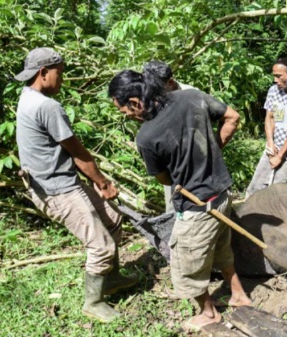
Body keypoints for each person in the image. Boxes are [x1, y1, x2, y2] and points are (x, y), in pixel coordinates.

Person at [108, 70, 252, 330]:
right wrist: (211, 153)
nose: (127, 117)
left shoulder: (146, 137)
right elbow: (232, 117)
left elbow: (165, 180)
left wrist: (192, 165)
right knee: (221, 249)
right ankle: (239, 295)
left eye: (124, 111)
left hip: (197, 207)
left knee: (184, 265)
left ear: (135, 102)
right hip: (222, 194)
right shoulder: (191, 97)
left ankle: (208, 313)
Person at [15, 47, 138, 323]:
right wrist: (103, 183)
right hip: (57, 190)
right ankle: (93, 303)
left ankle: (113, 278)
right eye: (60, 73)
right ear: (43, 73)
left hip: (61, 181)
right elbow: (78, 153)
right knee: (101, 246)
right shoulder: (47, 106)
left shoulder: (26, 97)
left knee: (113, 220)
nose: (62, 79)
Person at [142, 60, 196, 212]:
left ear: (170, 82)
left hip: (196, 158)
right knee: (174, 207)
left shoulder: (191, 94)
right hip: (171, 163)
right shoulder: (151, 97)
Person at [245, 57, 287, 198]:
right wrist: (270, 144)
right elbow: (269, 117)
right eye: (274, 76)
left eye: (279, 76)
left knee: (277, 187)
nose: (275, 80)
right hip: (272, 147)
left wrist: (280, 156)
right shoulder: (273, 91)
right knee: (256, 184)